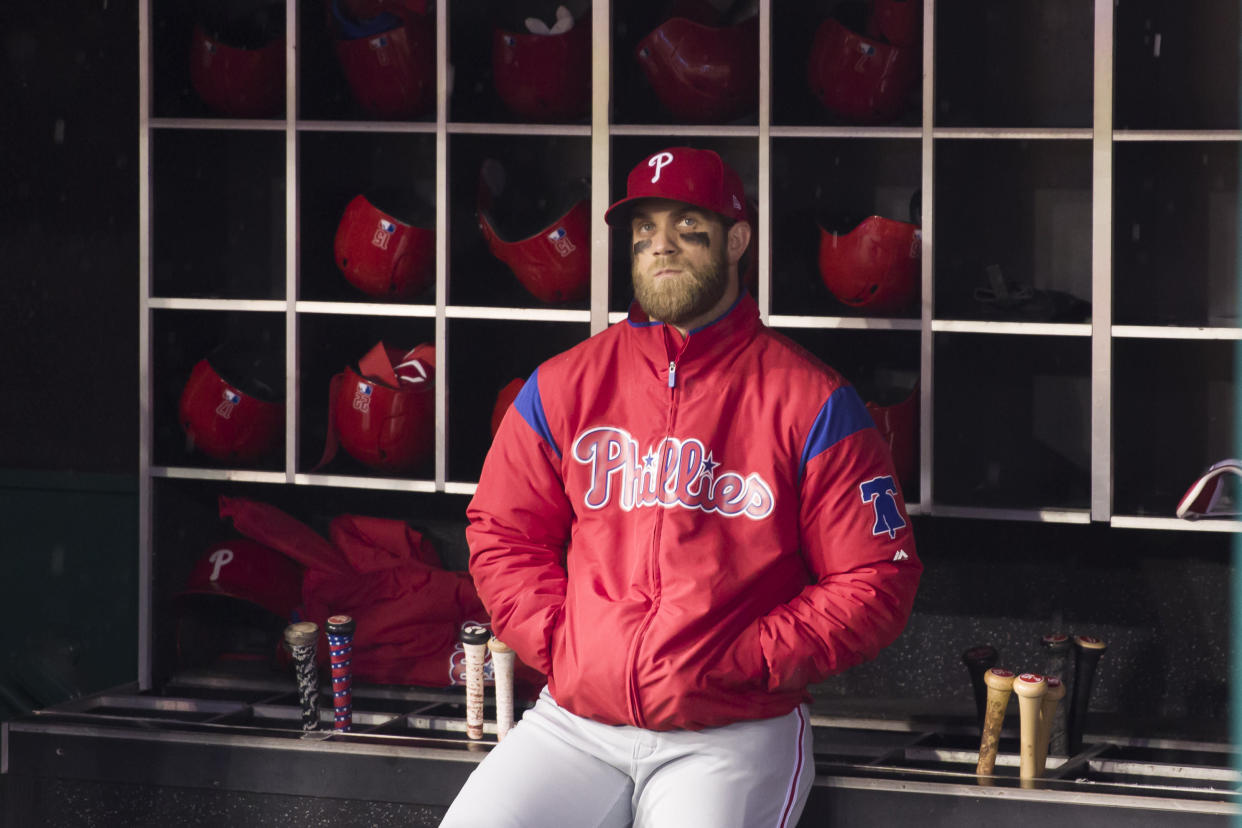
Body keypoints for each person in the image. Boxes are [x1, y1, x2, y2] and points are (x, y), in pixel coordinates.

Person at [440, 147, 922, 828]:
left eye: (688, 228)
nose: (660, 246)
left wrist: (750, 658)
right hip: (575, 723)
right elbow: (501, 532)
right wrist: (563, 640)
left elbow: (877, 579)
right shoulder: (563, 385)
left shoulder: (811, 401)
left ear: (738, 239)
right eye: (645, 230)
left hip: (728, 733)